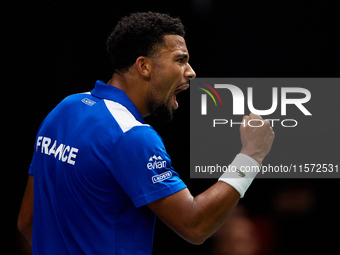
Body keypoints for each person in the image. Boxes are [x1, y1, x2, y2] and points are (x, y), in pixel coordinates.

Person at [18, 12, 274, 254]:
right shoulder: (132, 136)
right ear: (144, 66)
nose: (191, 72)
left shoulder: (64, 109)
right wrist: (251, 156)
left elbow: (26, 222)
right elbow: (195, 225)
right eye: (180, 60)